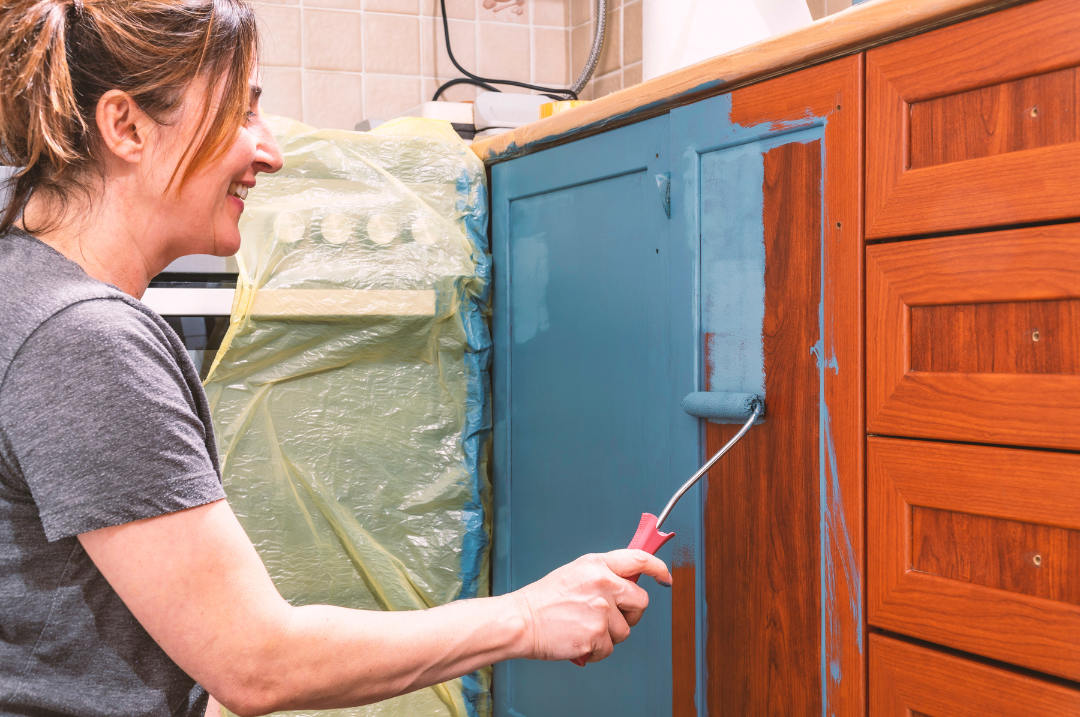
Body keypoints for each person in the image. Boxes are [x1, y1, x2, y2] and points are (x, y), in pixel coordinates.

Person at [0, 1, 672, 715]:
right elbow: (257, 662)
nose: (270, 151)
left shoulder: (24, 278)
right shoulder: (83, 339)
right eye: (241, 111)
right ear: (125, 126)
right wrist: (530, 616)